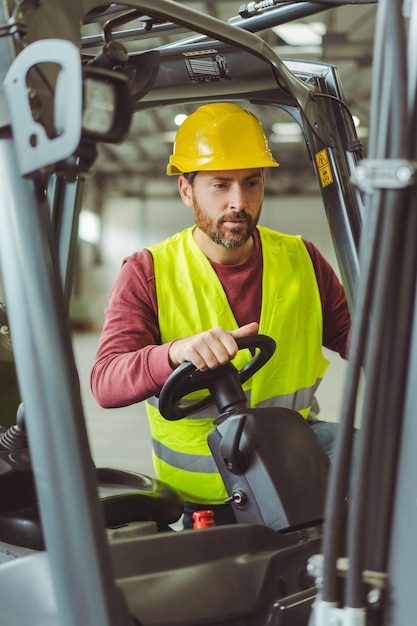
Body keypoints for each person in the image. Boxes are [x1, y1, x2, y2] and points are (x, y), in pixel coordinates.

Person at [91, 103, 351, 528]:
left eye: (252, 183)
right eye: (220, 185)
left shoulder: (302, 258)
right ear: (186, 190)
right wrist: (174, 353)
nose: (239, 202)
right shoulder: (148, 271)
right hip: (207, 495)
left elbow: (361, 339)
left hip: (294, 466)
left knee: (381, 461)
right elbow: (106, 380)